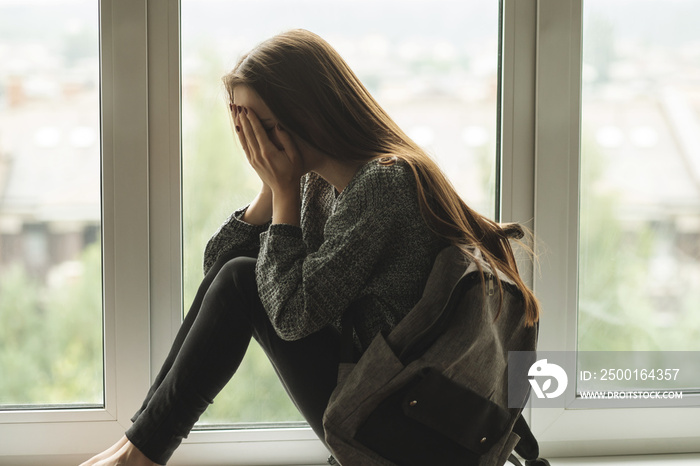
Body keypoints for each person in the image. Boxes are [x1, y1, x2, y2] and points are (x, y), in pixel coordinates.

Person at [80, 29, 540, 466]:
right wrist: (270, 187)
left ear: (309, 114)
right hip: (382, 402)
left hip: (404, 426)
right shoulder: (317, 184)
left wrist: (282, 191)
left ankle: (140, 452)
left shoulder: (385, 184)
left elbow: (292, 315)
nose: (257, 144)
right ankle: (136, 443)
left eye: (265, 127)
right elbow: (217, 271)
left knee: (244, 281)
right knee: (239, 273)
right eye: (246, 129)